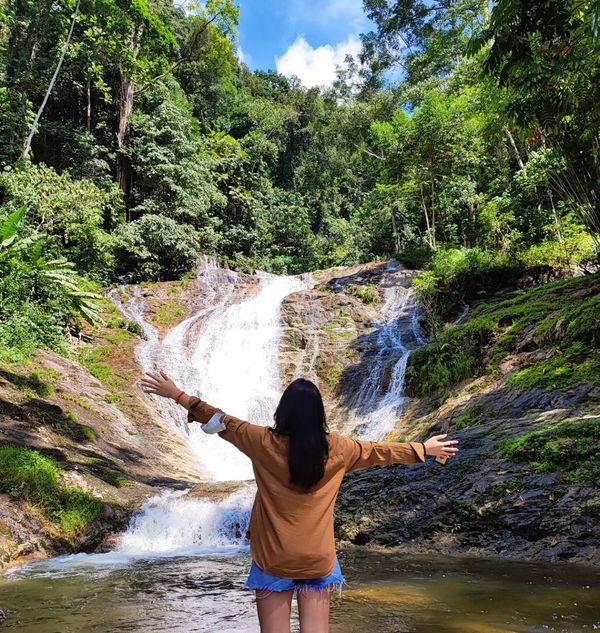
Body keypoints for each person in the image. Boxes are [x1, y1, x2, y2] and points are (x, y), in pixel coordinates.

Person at [141, 372, 459, 633]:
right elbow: (379, 451)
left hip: (272, 558)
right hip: (318, 559)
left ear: (283, 412)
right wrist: (422, 449)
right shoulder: (341, 448)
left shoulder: (261, 441)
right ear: (320, 414)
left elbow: (221, 419)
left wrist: (176, 393)